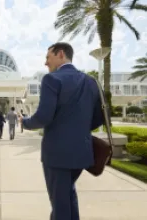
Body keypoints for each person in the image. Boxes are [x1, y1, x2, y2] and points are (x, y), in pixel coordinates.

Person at [19, 42, 104, 220]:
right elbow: (98, 118)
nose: (45, 63)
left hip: (58, 156)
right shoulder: (91, 82)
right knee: (69, 196)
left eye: (48, 57)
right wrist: (77, 129)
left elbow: (43, 117)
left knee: (59, 204)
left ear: (61, 54)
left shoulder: (52, 79)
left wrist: (25, 123)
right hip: (82, 154)